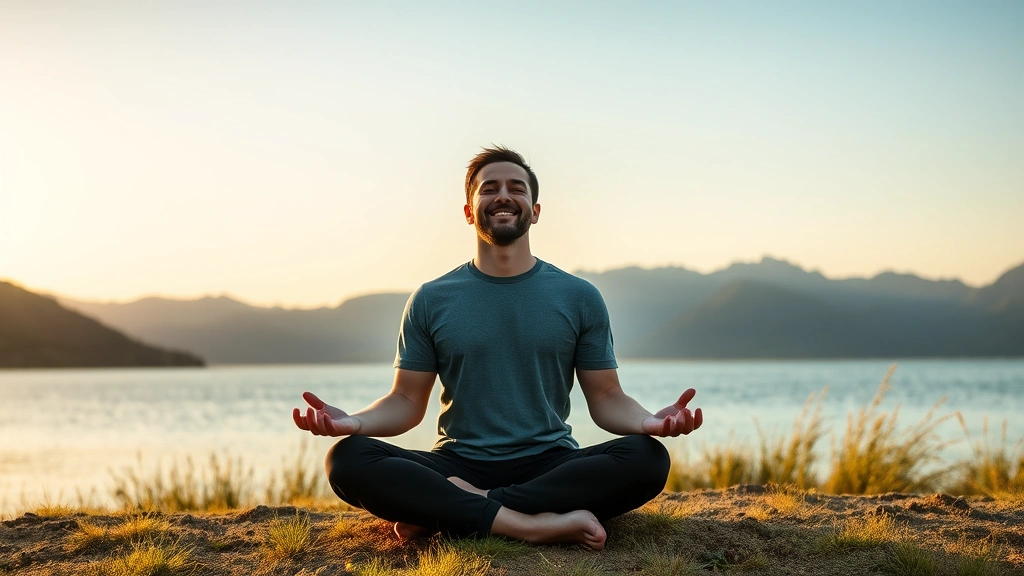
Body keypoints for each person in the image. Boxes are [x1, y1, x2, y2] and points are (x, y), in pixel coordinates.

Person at [293, 146, 703, 550]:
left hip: (549, 462)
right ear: (470, 211)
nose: (503, 195)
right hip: (457, 460)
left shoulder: (579, 296)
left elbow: (607, 397)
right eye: (489, 188)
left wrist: (648, 422)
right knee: (346, 459)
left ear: (535, 211)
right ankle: (533, 526)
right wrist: (356, 424)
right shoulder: (430, 299)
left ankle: (454, 509)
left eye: (516, 188)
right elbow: (405, 400)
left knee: (647, 459)